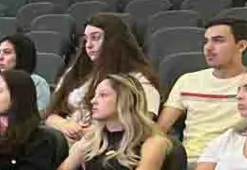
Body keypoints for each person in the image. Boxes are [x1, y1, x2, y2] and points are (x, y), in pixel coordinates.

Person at [45, 13, 160, 142]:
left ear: (113, 41)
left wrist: (88, 132)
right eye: (86, 39)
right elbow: (51, 114)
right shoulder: (76, 71)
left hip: (109, 145)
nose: (88, 45)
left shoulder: (139, 79)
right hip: (65, 141)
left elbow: (143, 123)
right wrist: (64, 125)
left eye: (95, 38)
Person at [158, 18, 247, 164]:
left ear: (241, 45)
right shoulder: (188, 81)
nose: (208, 48)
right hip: (189, 162)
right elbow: (160, 129)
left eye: (218, 40)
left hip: (233, 164)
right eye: (206, 41)